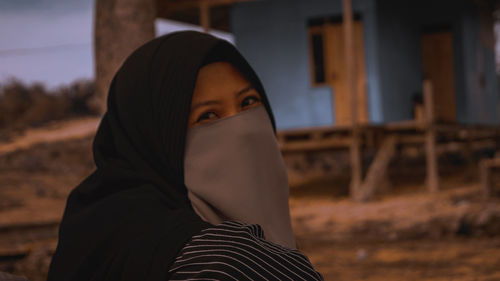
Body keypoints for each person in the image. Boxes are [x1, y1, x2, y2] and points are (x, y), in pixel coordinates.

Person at [47, 31, 323, 281]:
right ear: (155, 139)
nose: (242, 130)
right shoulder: (229, 265)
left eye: (248, 102)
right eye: (208, 116)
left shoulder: (91, 230)